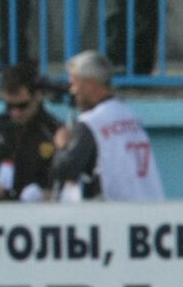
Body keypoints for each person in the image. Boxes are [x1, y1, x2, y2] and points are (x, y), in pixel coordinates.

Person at [50, 50, 164, 201]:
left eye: (74, 83)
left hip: (114, 215)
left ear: (90, 84)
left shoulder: (92, 122)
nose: (72, 90)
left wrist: (62, 145)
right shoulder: (129, 115)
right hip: (150, 209)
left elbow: (66, 170)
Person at [0, 62, 61, 202]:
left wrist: (51, 193)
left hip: (41, 215)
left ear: (37, 96)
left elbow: (67, 177)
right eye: (10, 106)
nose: (15, 113)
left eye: (22, 106)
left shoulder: (53, 130)